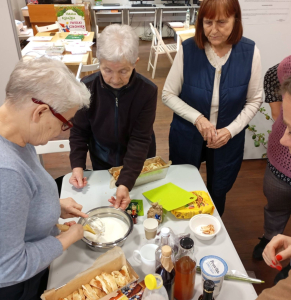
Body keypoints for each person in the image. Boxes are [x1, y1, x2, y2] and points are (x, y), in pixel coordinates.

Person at [0, 57, 91, 300]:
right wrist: (67, 238)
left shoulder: (17, 137)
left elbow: (13, 208)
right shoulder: (6, 172)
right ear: (40, 112)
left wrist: (54, 206)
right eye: (64, 124)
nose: (66, 130)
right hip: (20, 287)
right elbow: (9, 267)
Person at [162, 0, 263, 216]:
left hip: (227, 137)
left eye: (222, 22)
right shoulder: (189, 49)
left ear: (236, 20)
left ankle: (210, 226)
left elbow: (255, 99)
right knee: (184, 185)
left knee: (218, 189)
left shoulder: (249, 52)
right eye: (208, 22)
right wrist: (198, 118)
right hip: (188, 133)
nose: (213, 30)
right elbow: (168, 94)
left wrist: (230, 131)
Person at [69, 24, 157, 210]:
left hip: (138, 163)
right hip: (102, 159)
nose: (115, 79)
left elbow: (141, 140)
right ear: (98, 62)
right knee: (102, 201)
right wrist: (77, 165)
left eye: (123, 71)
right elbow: (79, 131)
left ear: (135, 62)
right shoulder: (86, 87)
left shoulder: (147, 91)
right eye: (107, 70)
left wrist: (125, 182)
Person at [253, 52, 291, 284]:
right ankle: (269, 239)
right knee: (276, 206)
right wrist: (278, 112)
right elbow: (273, 74)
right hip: (281, 168)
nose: (283, 137)